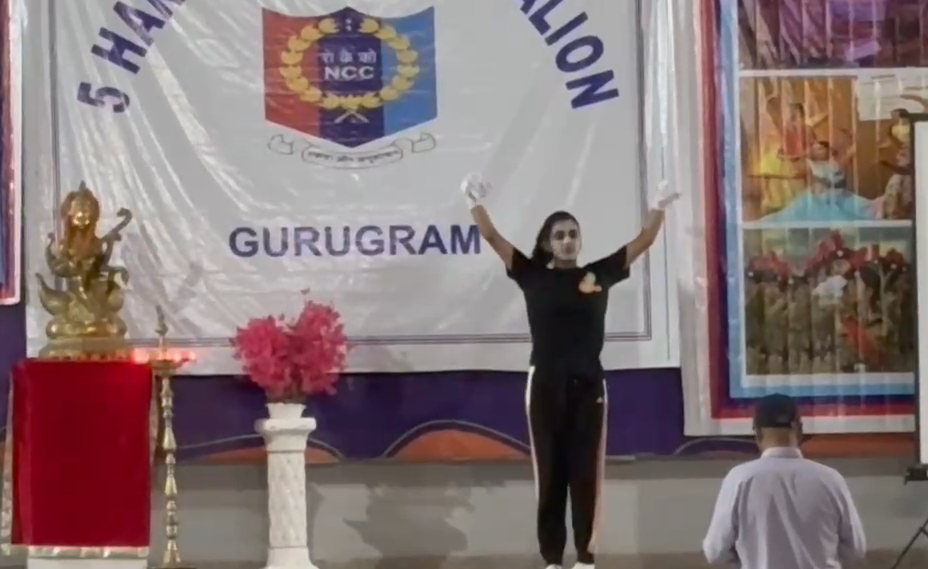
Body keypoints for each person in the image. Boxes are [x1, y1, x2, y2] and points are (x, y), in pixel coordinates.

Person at [461, 174, 678, 569]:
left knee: (585, 472)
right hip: (544, 384)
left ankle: (585, 557)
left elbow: (645, 240)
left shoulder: (599, 273)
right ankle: (552, 559)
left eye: (573, 234)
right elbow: (491, 236)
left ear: (580, 240)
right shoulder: (531, 274)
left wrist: (659, 206)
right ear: (548, 243)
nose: (567, 240)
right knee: (550, 472)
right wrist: (473, 201)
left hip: (588, 384)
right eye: (559, 235)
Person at [703, 394, 867, 569]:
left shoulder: (740, 479)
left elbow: (716, 552)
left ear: (757, 433)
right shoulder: (830, 480)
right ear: (800, 431)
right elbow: (856, 550)